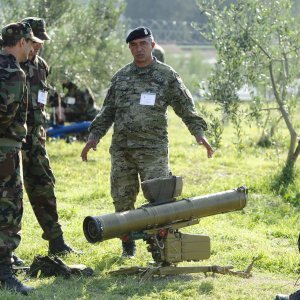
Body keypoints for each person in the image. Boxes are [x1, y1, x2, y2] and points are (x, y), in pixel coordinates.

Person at [81, 26, 214, 258]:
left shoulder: (166, 76)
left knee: (160, 201)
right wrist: (93, 137)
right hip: (123, 151)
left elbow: (186, 107)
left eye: (143, 44)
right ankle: (128, 246)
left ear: (152, 45)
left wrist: (199, 132)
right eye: (134, 45)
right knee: (122, 200)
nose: (138, 49)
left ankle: (161, 249)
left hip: (153, 151)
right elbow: (107, 111)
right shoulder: (121, 77)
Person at [19, 17, 79, 257]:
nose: (38, 46)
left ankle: (57, 241)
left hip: (35, 142)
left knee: (44, 187)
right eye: (35, 41)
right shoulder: (8, 65)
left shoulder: (41, 66)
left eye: (41, 42)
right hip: (10, 143)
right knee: (8, 197)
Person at [0, 22, 42, 295]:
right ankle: (4, 271)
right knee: (8, 211)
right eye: (31, 43)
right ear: (22, 42)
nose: (33, 48)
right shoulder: (14, 72)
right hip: (5, 150)